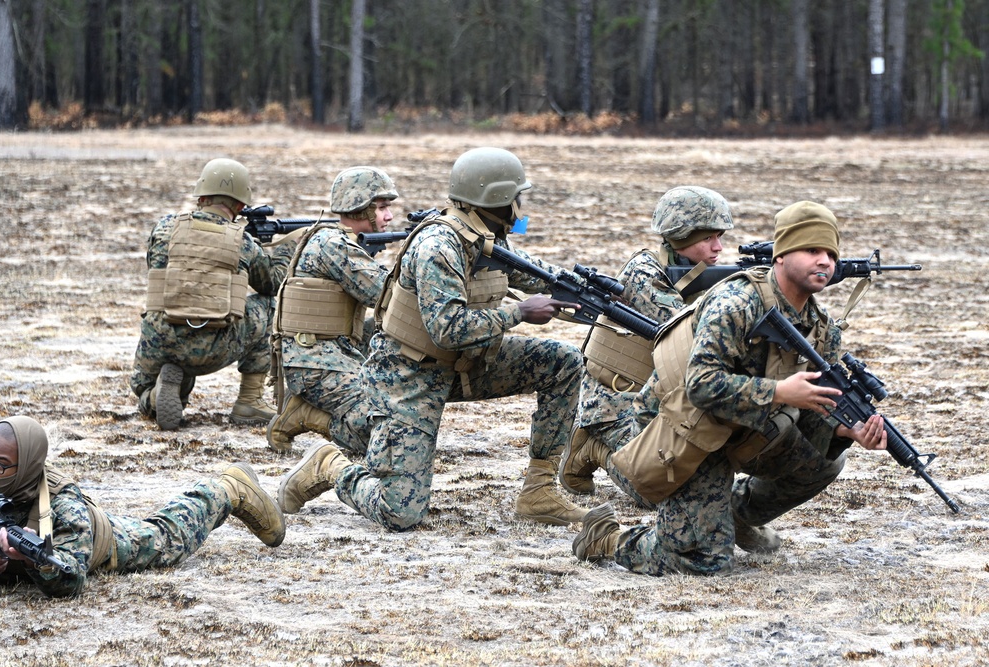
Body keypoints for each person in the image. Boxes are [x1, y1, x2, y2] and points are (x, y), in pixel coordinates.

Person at [276, 147, 589, 530]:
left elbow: (535, 274)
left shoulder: (484, 240)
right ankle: (330, 466)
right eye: (516, 198)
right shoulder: (439, 246)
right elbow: (448, 327)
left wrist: (584, 289)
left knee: (563, 362)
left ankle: (539, 491)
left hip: (464, 364)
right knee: (400, 513)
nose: (520, 208)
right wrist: (519, 313)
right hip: (408, 378)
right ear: (497, 200)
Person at [571, 201, 886, 576]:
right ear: (781, 256)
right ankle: (609, 538)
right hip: (683, 430)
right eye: (812, 250)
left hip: (741, 431)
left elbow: (816, 405)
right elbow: (700, 386)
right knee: (704, 563)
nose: (824, 262)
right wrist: (780, 393)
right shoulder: (735, 303)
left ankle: (728, 516)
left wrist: (844, 430)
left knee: (825, 459)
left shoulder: (822, 328)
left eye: (831, 254)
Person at [560, 186, 734, 507]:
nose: (718, 247)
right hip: (615, 404)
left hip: (657, 402)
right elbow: (689, 334)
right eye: (708, 238)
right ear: (681, 235)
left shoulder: (700, 274)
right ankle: (592, 445)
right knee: (659, 492)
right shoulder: (644, 274)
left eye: (720, 237)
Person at [0, 416, 285, 598]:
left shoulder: (64, 505)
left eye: (0, 465)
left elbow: (70, 582)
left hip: (106, 542)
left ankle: (227, 488)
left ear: (27, 465)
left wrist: (32, 560)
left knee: (169, 535)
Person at [130, 158, 294, 430]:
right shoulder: (243, 241)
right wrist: (286, 247)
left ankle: (156, 397)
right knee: (267, 305)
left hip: (161, 340)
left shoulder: (164, 228)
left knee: (145, 385)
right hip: (214, 344)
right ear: (241, 206)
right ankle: (249, 400)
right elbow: (271, 284)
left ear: (202, 196)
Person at [267, 167, 396, 465]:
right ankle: (305, 415)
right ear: (359, 207)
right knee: (387, 435)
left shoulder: (341, 242)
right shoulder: (333, 245)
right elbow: (384, 294)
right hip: (314, 362)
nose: (388, 216)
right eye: (381, 208)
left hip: (334, 350)